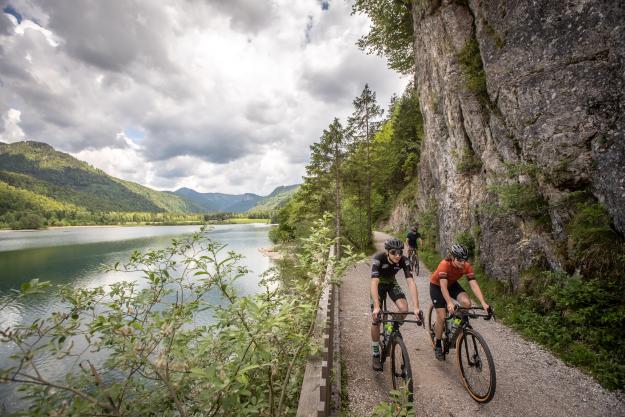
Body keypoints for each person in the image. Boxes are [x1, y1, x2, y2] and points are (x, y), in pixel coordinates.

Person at [430, 243, 492, 360]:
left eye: (464, 260)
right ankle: (438, 344)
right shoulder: (444, 265)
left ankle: (454, 324)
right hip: (437, 286)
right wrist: (449, 303)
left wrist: (483, 303)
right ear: (452, 257)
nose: (462, 262)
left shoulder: (466, 266)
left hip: (452, 284)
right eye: (459, 259)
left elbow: (473, 285)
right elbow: (443, 287)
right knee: (442, 316)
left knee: (467, 303)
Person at [370, 237, 423, 371]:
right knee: (376, 320)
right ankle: (375, 352)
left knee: (404, 309)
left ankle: (390, 328)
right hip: (379, 285)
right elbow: (374, 282)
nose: (397, 255)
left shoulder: (404, 260)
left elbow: (411, 282)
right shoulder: (378, 258)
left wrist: (416, 307)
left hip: (391, 283)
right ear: (387, 252)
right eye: (394, 252)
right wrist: (377, 307)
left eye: (400, 252)